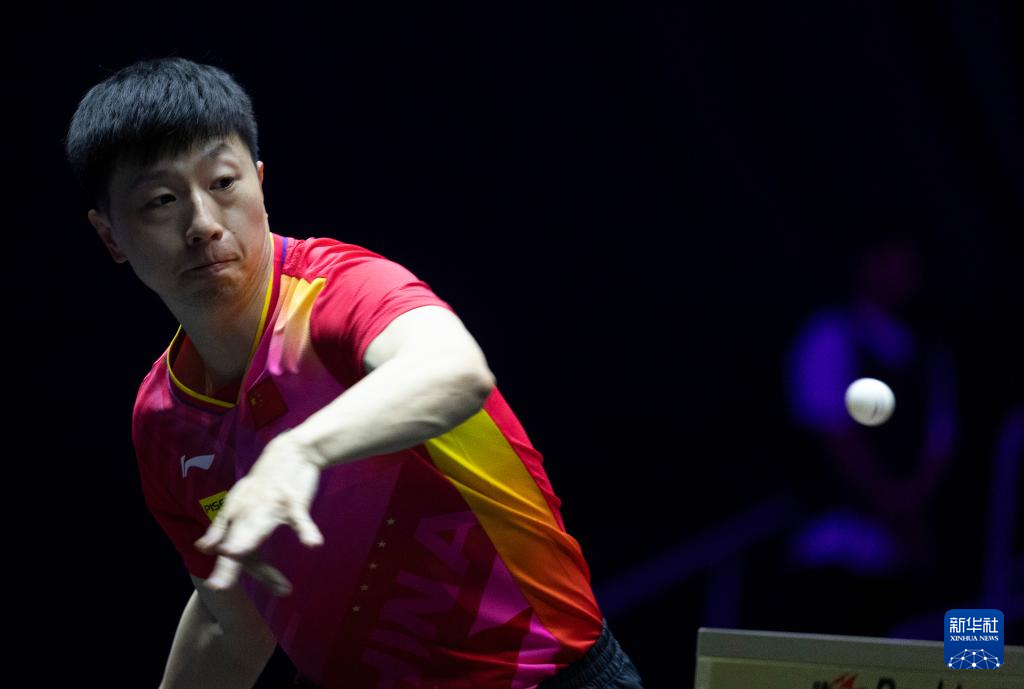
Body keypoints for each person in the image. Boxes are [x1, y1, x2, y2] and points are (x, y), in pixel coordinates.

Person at [64, 57, 645, 689]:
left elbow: (453, 370)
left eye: (224, 183)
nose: (203, 224)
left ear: (260, 183)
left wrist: (300, 451)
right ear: (110, 236)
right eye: (161, 201)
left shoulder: (338, 292)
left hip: (544, 676)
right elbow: (232, 621)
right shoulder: (164, 421)